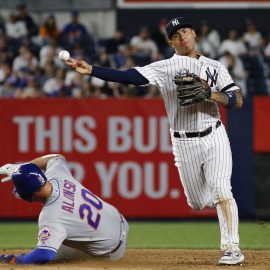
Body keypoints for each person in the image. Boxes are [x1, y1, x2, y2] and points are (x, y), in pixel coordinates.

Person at [63, 16, 244, 265]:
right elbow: (129, 77)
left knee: (223, 190)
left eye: (186, 31)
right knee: (198, 201)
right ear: (171, 41)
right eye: (176, 34)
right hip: (183, 142)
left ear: (194, 34)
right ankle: (217, 202)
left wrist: (210, 94)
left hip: (214, 135)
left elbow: (237, 100)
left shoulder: (215, 67)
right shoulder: (165, 67)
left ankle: (231, 248)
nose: (183, 36)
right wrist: (92, 70)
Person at [0, 154, 129, 265]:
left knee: (44, 253)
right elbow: (56, 157)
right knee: (57, 236)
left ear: (27, 195)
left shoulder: (50, 217)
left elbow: (44, 255)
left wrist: (16, 261)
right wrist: (21, 168)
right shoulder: (57, 174)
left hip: (112, 251)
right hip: (120, 221)